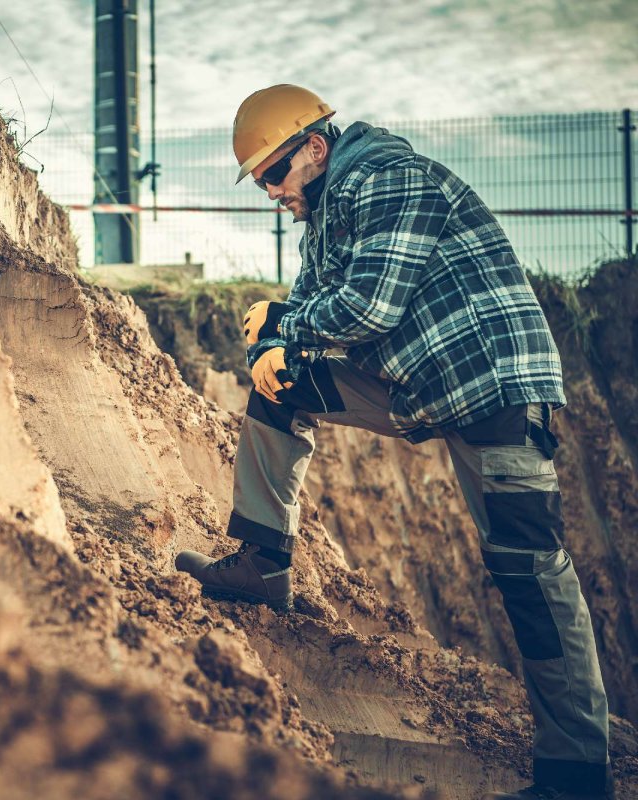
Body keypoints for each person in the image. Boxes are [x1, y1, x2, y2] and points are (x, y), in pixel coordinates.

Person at [174, 84, 611, 799]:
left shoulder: (388, 177)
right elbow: (312, 309)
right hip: (420, 383)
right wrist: (277, 336)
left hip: (493, 384)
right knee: (280, 388)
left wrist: (286, 325)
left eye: (274, 173)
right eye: (260, 182)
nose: (271, 192)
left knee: (528, 569)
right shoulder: (323, 215)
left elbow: (369, 307)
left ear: (316, 149)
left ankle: (576, 776)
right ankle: (263, 564)